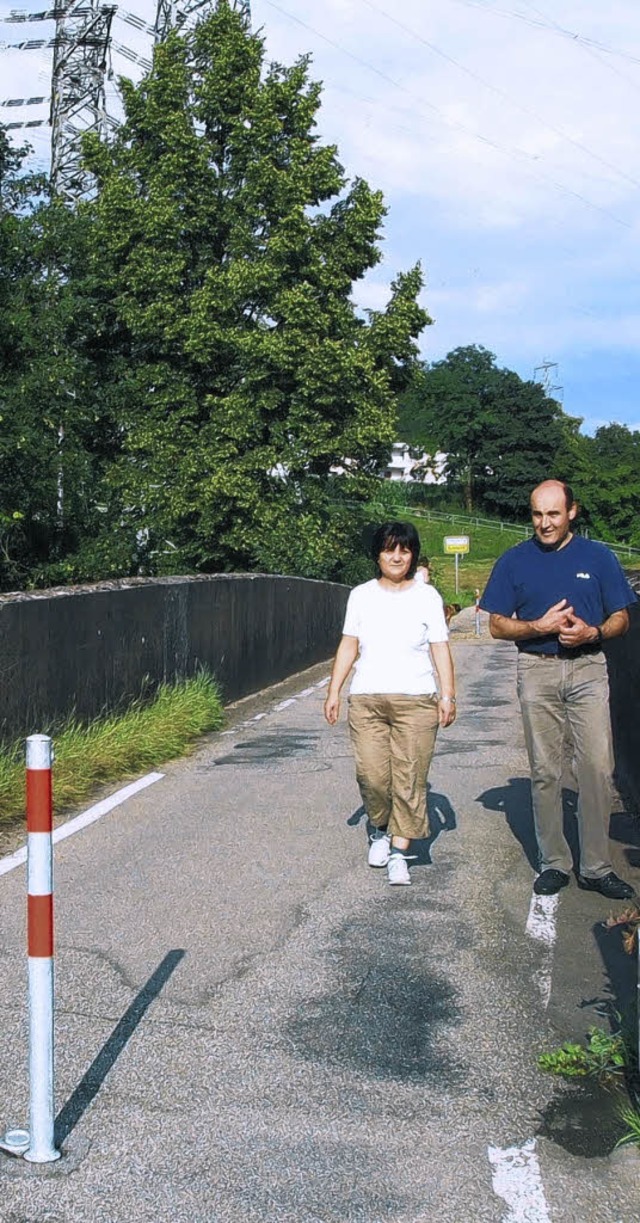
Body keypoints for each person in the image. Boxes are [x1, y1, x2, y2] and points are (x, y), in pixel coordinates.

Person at [480, 479, 636, 900]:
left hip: (588, 668)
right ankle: (554, 862)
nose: (544, 523)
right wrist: (537, 627)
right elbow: (496, 625)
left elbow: (622, 617)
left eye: (553, 513)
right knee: (547, 771)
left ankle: (597, 867)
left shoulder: (598, 557)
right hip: (537, 668)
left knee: (598, 769)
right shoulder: (514, 561)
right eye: (537, 514)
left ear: (572, 512)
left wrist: (593, 631)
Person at [324, 522, 456, 885]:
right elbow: (349, 644)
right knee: (373, 776)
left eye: (404, 550)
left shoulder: (427, 596)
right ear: (378, 554)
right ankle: (379, 828)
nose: (396, 557)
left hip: (416, 700)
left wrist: (447, 694)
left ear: (412, 555)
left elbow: (440, 647)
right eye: (389, 549)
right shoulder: (361, 595)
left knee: (410, 778)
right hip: (367, 698)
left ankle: (400, 851)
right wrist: (334, 690)